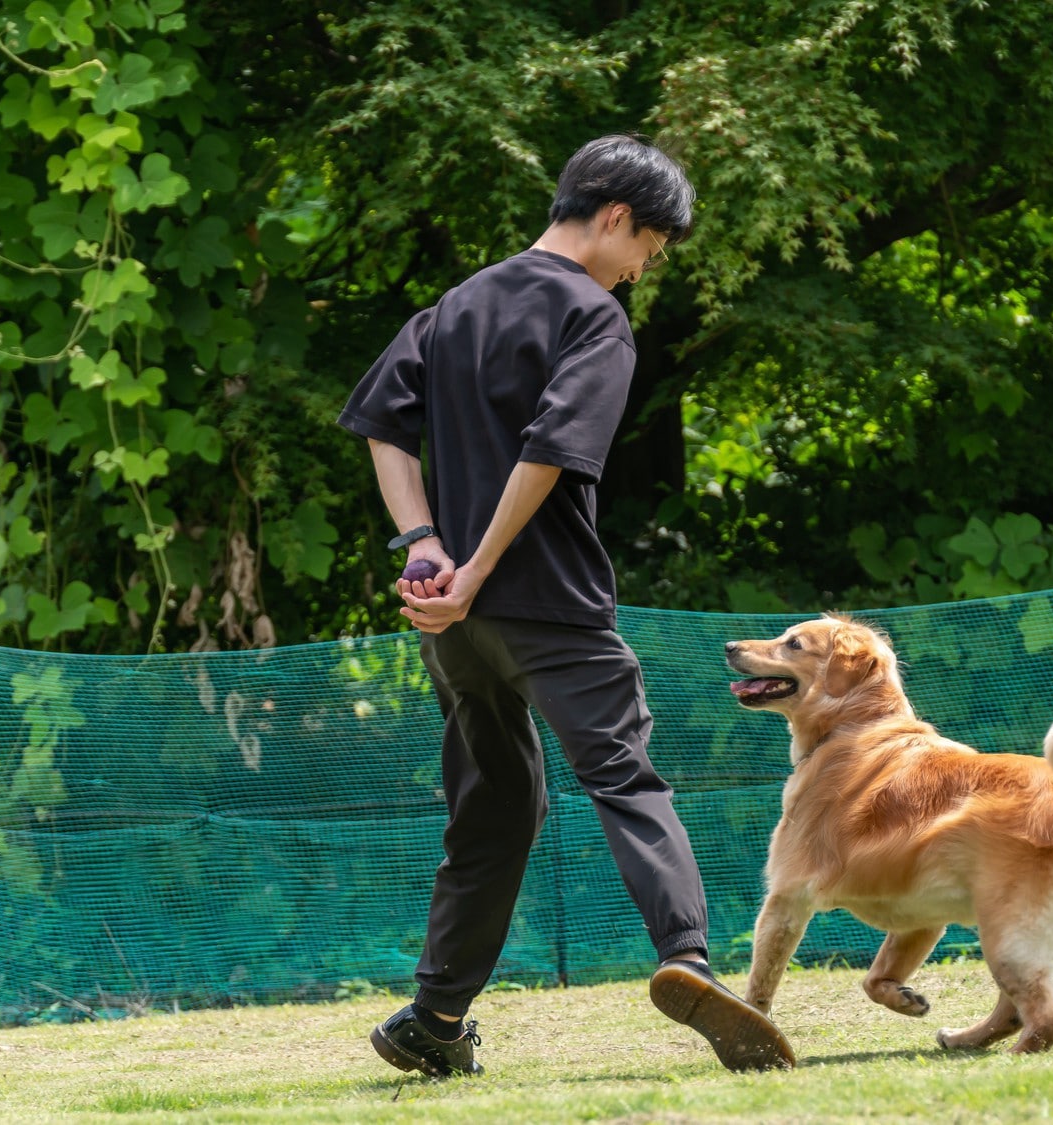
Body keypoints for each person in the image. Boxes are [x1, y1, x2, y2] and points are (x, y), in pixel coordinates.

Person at [338, 135, 796, 1077]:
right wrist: (478, 565)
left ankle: (435, 1016)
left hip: (456, 625)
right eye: (649, 250)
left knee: (493, 807)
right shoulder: (594, 318)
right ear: (616, 216)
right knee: (625, 778)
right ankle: (686, 957)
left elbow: (382, 424)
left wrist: (426, 546)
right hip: (550, 605)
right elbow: (549, 452)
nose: (641, 272)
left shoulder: (457, 304)